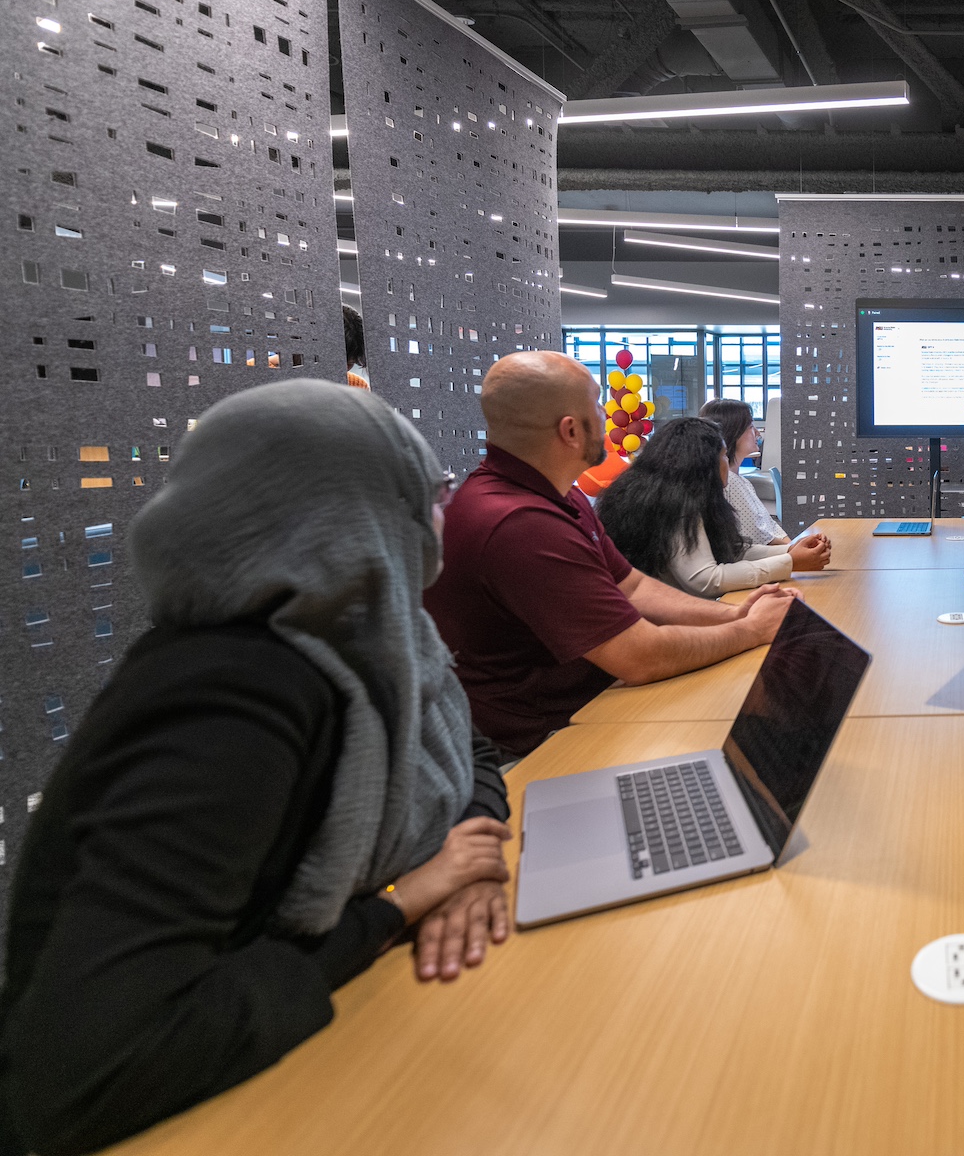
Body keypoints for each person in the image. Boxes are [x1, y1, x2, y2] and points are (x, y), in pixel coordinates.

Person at [0, 382, 516, 1156]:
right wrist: (397, 909)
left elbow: (467, 750)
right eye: (427, 492)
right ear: (355, 511)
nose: (444, 514)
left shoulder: (377, 632)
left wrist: (471, 845)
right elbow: (92, 1070)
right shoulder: (232, 691)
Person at [424, 351, 797, 759]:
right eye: (597, 405)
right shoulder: (520, 523)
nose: (607, 416)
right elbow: (638, 656)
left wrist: (735, 615)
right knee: (766, 735)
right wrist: (750, 631)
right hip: (539, 743)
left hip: (586, 704)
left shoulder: (556, 495)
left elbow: (632, 586)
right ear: (570, 430)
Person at [598, 417, 831, 599]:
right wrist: (790, 563)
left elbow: (729, 550)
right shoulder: (675, 504)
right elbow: (705, 580)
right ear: (701, 465)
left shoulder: (687, 494)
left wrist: (789, 552)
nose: (726, 462)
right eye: (722, 456)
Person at [701, 397, 787, 546]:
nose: (757, 433)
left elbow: (770, 528)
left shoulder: (740, 481)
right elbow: (758, 538)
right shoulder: (729, 483)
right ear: (733, 432)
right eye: (751, 427)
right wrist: (795, 551)